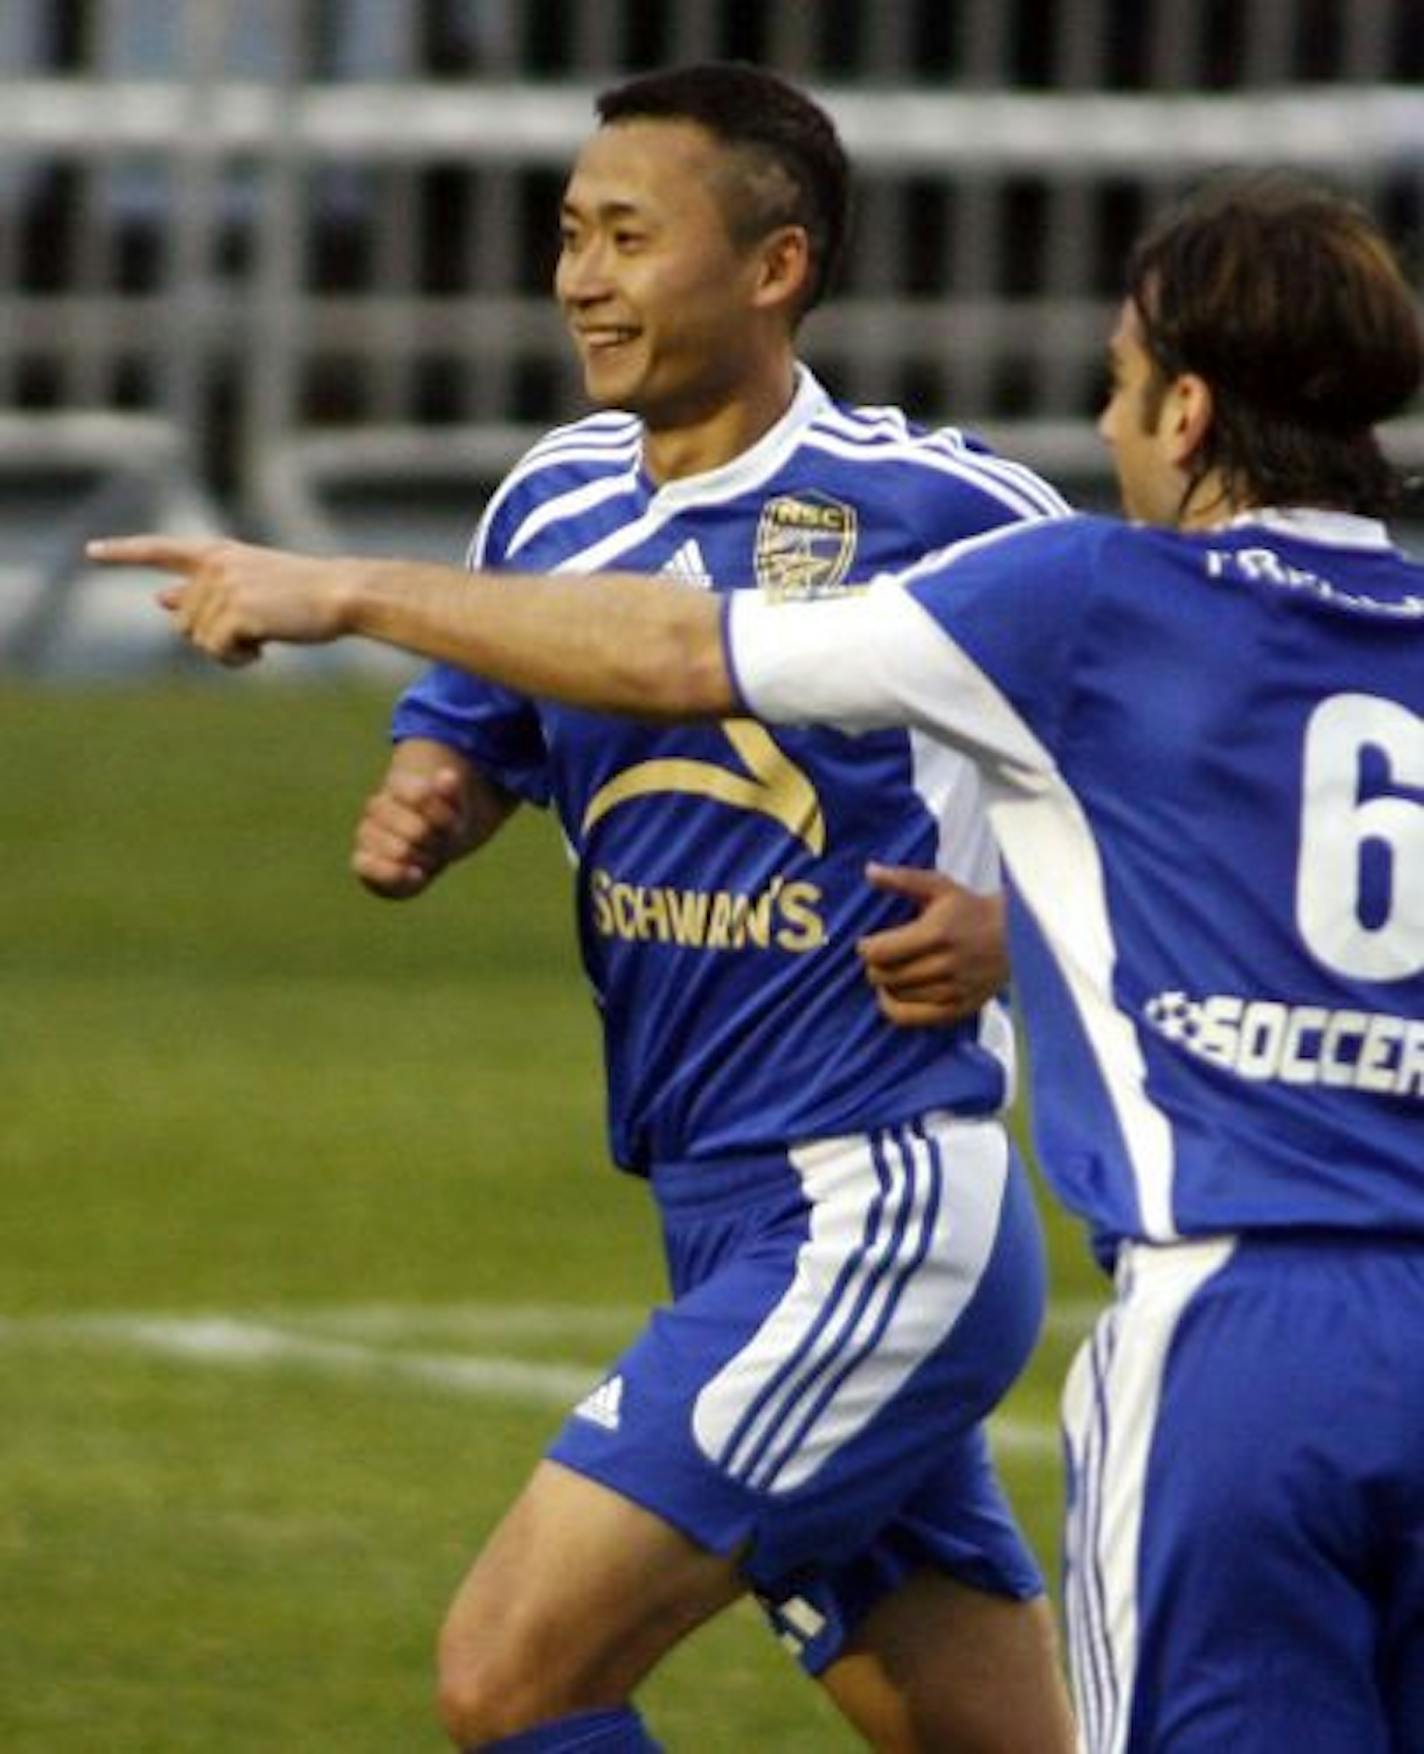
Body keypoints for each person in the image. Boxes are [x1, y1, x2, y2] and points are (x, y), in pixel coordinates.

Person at [99, 167, 1424, 1751]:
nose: (1112, 425)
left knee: (511, 1676)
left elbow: (682, 649)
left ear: (1191, 412)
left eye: (1122, 389)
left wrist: (347, 586)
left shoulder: (1086, 592)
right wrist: (1042, 938)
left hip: (1216, 1324)